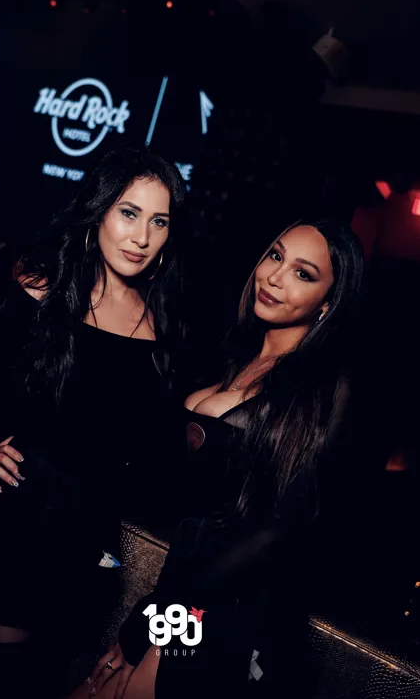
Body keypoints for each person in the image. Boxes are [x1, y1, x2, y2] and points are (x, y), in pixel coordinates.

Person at [0, 147, 187, 699]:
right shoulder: (40, 293)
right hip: (10, 534)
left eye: (158, 220)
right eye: (129, 212)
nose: (142, 235)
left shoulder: (164, 329)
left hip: (88, 558)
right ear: (97, 211)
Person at [80, 218, 364, 699]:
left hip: (220, 617)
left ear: (328, 303)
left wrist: (156, 637)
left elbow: (265, 537)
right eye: (275, 256)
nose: (275, 276)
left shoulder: (321, 392)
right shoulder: (233, 359)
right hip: (178, 598)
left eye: (303, 273)